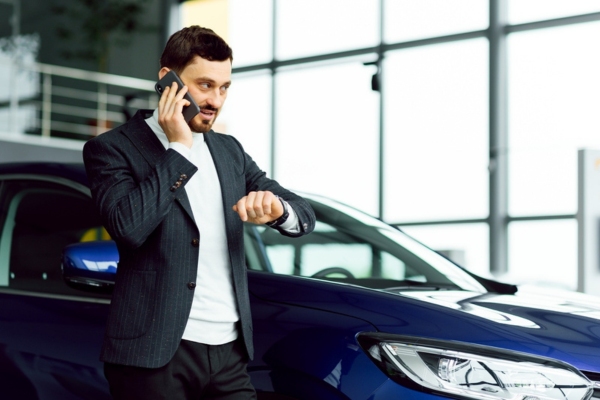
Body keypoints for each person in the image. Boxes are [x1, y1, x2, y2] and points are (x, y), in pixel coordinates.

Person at [83, 25, 316, 399]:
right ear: (167, 80)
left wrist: (278, 210)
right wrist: (179, 147)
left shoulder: (229, 151)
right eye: (205, 85)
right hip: (152, 357)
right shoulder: (112, 149)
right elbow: (128, 227)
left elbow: (303, 215)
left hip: (229, 355)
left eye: (224, 88)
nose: (216, 100)